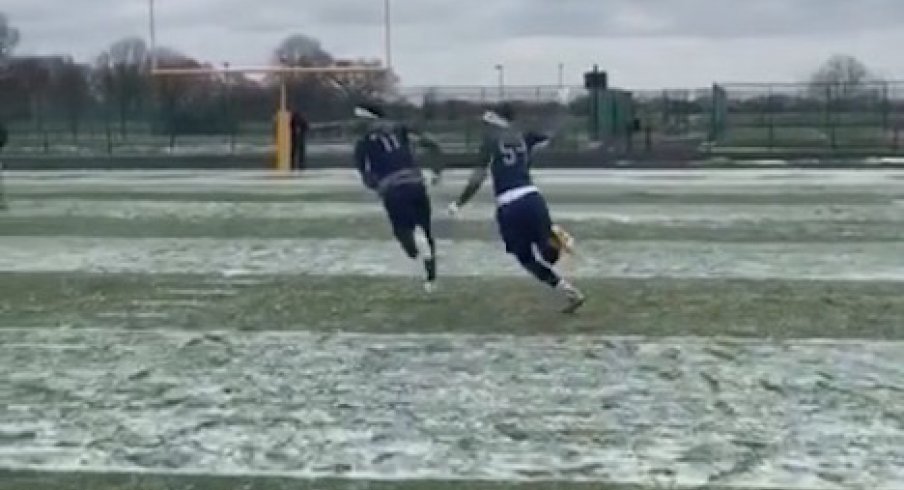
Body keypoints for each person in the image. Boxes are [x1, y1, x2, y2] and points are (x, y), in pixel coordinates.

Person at [448, 104, 586, 313]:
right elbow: (547, 133)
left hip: (509, 205)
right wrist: (559, 107)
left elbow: (478, 176)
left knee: (525, 257)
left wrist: (459, 203)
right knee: (546, 251)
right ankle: (556, 239)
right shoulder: (522, 137)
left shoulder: (491, 141)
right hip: (532, 197)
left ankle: (567, 290)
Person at [353, 103, 441, 292]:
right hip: (416, 183)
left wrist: (376, 185)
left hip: (393, 187)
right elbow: (432, 144)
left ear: (369, 118)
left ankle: (415, 249)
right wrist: (436, 170)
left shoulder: (364, 141)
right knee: (425, 228)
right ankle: (431, 277)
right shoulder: (401, 128)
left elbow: (365, 173)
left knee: (403, 232)